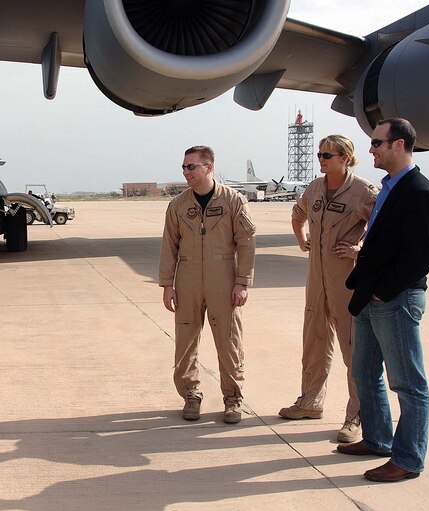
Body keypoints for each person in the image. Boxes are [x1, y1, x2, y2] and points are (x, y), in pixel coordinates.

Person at [338, 118, 429, 482]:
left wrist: (386, 290)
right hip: (371, 296)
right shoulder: (389, 187)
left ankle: (408, 458)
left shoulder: (419, 192)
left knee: (409, 383)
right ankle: (378, 438)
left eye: (377, 143)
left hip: (395, 300)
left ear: (399, 145)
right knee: (363, 371)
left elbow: (423, 255)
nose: (371, 150)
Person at [279, 134, 377, 444]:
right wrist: (301, 240)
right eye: (320, 154)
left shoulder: (362, 191)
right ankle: (310, 402)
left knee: (353, 346)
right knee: (314, 340)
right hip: (316, 278)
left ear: (345, 158)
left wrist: (360, 250)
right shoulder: (315, 187)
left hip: (345, 279)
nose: (321, 159)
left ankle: (356, 416)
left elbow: (383, 229)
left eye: (328, 155)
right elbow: (298, 215)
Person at [158, 146, 256, 424]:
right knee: (185, 341)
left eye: (192, 167)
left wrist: (242, 282)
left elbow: (246, 243)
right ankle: (191, 395)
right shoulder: (178, 205)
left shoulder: (233, 200)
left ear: (208, 167)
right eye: (184, 167)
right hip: (187, 278)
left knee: (228, 341)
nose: (186, 172)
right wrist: (167, 284)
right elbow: (169, 246)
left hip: (223, 278)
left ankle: (233, 399)